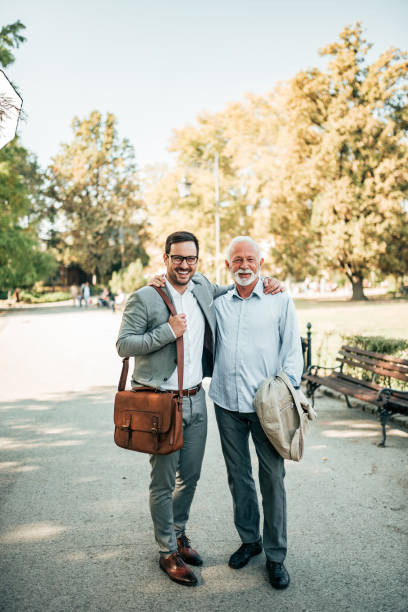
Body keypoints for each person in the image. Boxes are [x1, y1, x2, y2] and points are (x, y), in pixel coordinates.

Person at [116, 231, 283, 587]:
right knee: (162, 481)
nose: (184, 264)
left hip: (196, 399)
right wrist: (166, 331)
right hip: (161, 402)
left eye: (190, 258)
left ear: (197, 261)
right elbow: (123, 344)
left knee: (188, 478)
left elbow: (241, 282)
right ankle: (166, 552)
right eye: (177, 258)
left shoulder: (204, 288)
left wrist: (269, 280)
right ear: (165, 259)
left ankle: (178, 534)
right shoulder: (146, 297)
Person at [209, 236, 303, 590]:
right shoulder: (219, 302)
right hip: (226, 403)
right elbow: (184, 287)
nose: (244, 265)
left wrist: (283, 389)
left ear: (261, 264)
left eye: (250, 259)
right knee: (239, 477)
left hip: (267, 407)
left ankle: (276, 556)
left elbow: (293, 352)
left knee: (272, 480)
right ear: (228, 265)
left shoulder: (279, 298)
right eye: (237, 260)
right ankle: (251, 540)